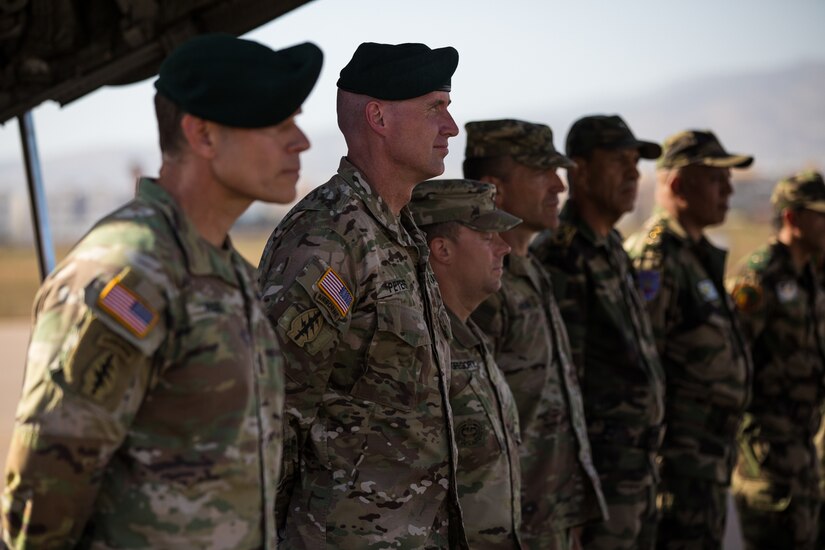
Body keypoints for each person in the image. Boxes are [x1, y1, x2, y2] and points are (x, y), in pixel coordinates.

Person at [0, 33, 322, 548]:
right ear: (203, 135)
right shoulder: (130, 272)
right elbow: (42, 500)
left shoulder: (224, 269)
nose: (302, 141)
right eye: (278, 121)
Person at [257, 42, 468, 548]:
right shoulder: (328, 238)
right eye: (435, 107)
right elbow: (275, 413)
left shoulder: (401, 231)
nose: (451, 128)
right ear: (378, 116)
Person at [462, 119, 607, 549]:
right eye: (543, 173)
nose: (559, 186)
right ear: (496, 188)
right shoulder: (484, 286)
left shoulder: (531, 271)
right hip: (510, 528)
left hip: (552, 518)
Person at [531, 114, 666, 550]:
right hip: (597, 487)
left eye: (636, 161)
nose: (633, 172)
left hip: (635, 475)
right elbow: (561, 388)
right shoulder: (562, 255)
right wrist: (571, 502)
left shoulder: (611, 248)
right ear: (581, 171)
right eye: (619, 160)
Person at [624, 129, 754, 549]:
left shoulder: (694, 255)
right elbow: (642, 370)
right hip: (676, 473)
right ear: (678, 185)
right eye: (717, 179)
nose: (728, 190)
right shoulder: (656, 258)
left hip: (706, 467)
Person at [409, 178, 523, 548]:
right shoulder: (418, 349)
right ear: (441, 249)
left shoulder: (471, 337)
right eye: (488, 237)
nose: (504, 248)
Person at [727, 171, 825, 550]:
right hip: (767, 453)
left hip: (803, 443)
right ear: (792, 218)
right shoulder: (759, 276)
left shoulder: (808, 275)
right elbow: (735, 357)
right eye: (820, 214)